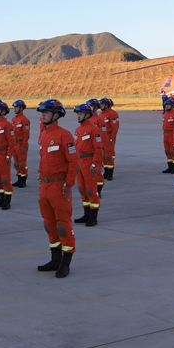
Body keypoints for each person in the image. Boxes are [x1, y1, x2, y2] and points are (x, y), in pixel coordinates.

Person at [35, 99, 78, 278]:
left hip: (59, 187)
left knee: (62, 225)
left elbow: (73, 162)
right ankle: (55, 259)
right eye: (42, 112)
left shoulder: (64, 135)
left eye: (46, 112)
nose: (43, 115)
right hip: (45, 185)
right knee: (49, 224)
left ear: (56, 115)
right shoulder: (43, 134)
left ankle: (66, 262)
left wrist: (68, 184)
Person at [72, 103, 104, 226]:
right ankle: (86, 214)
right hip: (80, 162)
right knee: (82, 189)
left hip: (89, 162)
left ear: (87, 115)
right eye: (78, 114)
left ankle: (93, 217)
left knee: (91, 189)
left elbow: (98, 148)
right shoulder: (78, 130)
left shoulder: (93, 129)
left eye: (81, 114)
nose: (78, 116)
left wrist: (94, 164)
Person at [11, 100, 31, 187]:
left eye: (17, 107)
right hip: (15, 144)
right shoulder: (14, 119)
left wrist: (24, 145)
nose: (15, 109)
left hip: (21, 144)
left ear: (21, 108)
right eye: (15, 107)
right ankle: (19, 178)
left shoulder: (25, 120)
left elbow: (26, 134)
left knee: (22, 163)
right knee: (16, 163)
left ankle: (23, 180)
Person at [100, 98, 119, 180]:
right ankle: (106, 171)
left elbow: (115, 127)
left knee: (108, 155)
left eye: (102, 104)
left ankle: (110, 173)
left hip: (108, 136)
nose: (100, 106)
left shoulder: (112, 114)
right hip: (102, 137)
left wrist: (112, 138)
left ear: (107, 105)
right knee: (103, 156)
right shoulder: (100, 115)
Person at [161, 98, 174, 174]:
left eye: (168, 105)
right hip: (165, 134)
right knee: (167, 151)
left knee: (172, 151)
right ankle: (169, 166)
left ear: (172, 106)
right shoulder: (164, 115)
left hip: (172, 134)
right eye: (166, 105)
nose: (166, 107)